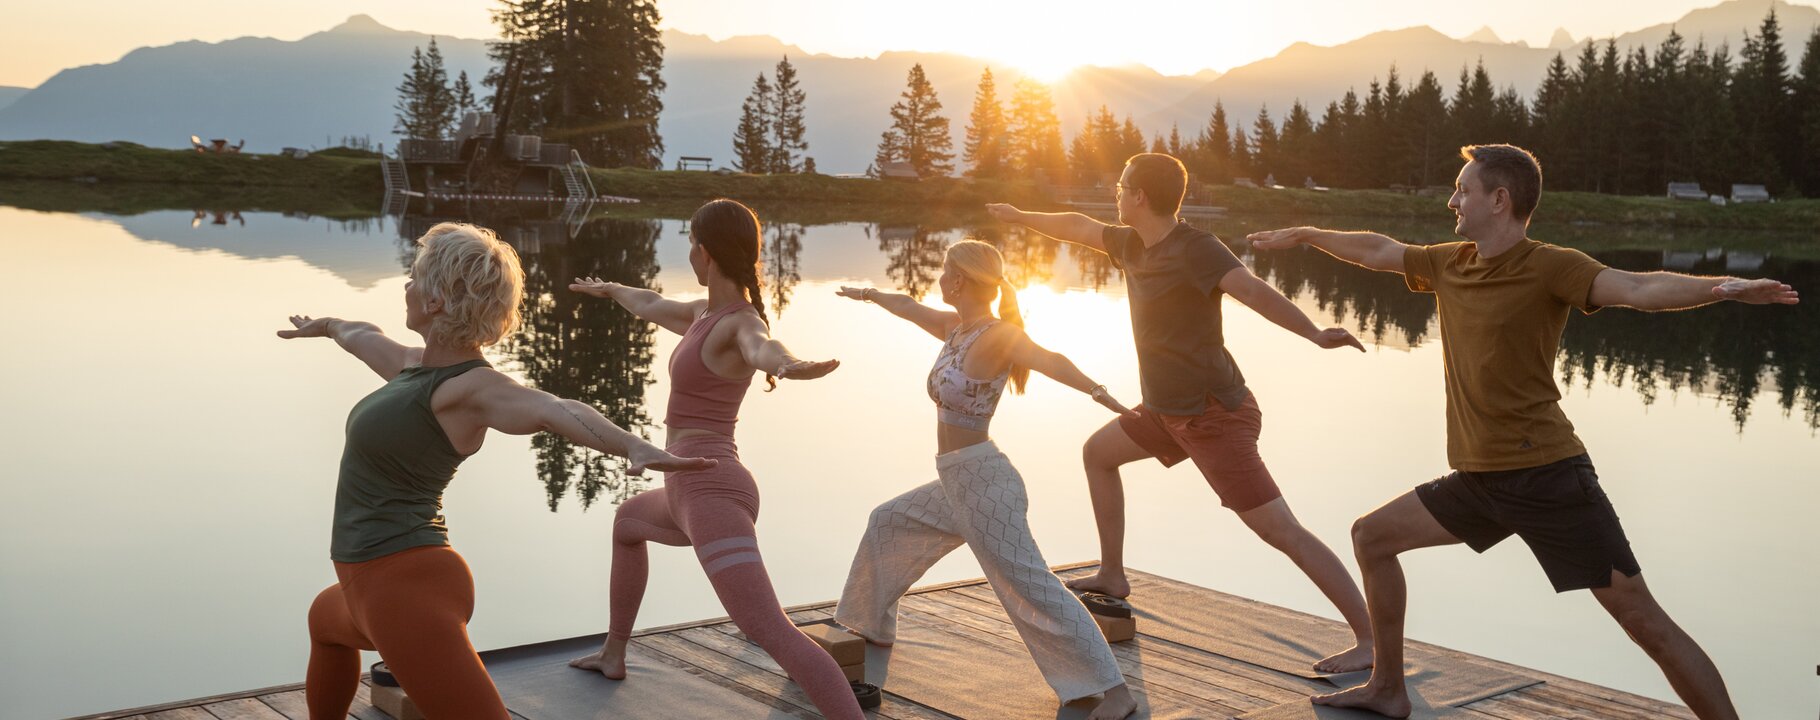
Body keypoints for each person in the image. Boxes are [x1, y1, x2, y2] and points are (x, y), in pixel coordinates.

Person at [1248, 144, 1798, 719]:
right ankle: (1388, 686)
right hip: (1481, 479)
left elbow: (1636, 287)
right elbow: (1381, 249)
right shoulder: (1450, 261)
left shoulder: (1551, 266)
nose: (1453, 200)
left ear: (1500, 199)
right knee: (1373, 537)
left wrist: (1721, 288)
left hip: (1548, 478)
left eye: (1463, 189)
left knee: (1643, 621)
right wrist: (1311, 234)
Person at [284, 222, 716, 720]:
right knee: (324, 624)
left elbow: (554, 407)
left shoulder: (471, 388)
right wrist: (326, 325)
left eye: (415, 278)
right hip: (370, 583)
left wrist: (630, 445)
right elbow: (360, 334)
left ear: (439, 301)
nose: (406, 286)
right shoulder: (412, 369)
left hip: (405, 587)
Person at [986, 152, 1376, 673]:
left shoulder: (1197, 249)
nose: (1115, 194)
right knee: (1099, 454)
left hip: (1212, 417)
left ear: (1140, 196)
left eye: (1121, 186)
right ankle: (1112, 574)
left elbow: (1254, 292)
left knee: (1282, 531)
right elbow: (1077, 225)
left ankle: (1371, 639)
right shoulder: (1129, 243)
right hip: (1165, 412)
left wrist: (1313, 334)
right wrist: (1019, 216)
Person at [565, 199, 862, 719]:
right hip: (686, 489)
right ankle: (614, 654)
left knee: (769, 630)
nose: (689, 253)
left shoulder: (737, 323)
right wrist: (610, 289)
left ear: (704, 251)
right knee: (627, 524)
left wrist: (789, 364)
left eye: (690, 244)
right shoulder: (702, 314)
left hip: (712, 491)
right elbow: (648, 303)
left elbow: (763, 347)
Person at [832, 240, 1142, 720]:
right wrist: (869, 294)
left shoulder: (998, 335)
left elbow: (1052, 359)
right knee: (887, 522)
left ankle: (1116, 692)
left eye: (943, 271)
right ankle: (871, 625)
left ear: (958, 279)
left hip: (983, 484)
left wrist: (1106, 396)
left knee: (1032, 588)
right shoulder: (957, 329)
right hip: (957, 481)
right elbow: (909, 307)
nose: (938, 279)